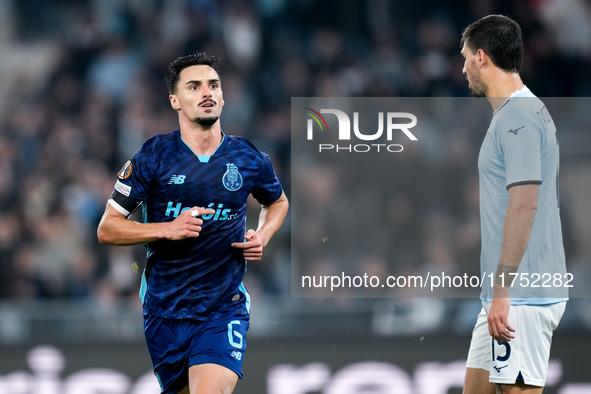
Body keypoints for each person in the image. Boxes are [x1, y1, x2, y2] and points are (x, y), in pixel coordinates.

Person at [97, 52, 289, 394]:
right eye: (194, 86)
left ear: (224, 96)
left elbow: (277, 202)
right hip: (164, 310)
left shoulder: (247, 158)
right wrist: (165, 229)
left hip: (222, 306)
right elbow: (107, 228)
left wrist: (262, 234)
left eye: (214, 85)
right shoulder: (153, 156)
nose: (207, 92)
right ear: (175, 100)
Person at [459, 15, 568, 394]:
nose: (463, 68)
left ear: (483, 58)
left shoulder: (517, 118)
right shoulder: (524, 110)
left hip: (522, 295)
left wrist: (504, 292)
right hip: (509, 294)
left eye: (466, 58)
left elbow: (525, 204)